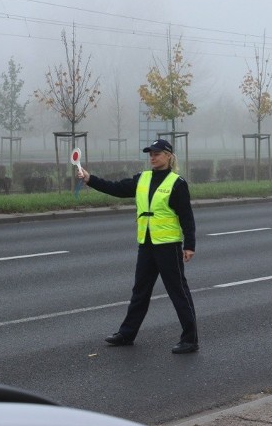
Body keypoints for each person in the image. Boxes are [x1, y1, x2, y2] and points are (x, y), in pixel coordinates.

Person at [77, 138, 199, 354]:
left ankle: (190, 339)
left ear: (168, 156)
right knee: (140, 292)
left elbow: (186, 217)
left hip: (168, 245)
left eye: (157, 153)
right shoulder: (142, 179)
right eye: (150, 154)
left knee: (178, 291)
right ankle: (126, 334)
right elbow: (116, 188)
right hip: (147, 244)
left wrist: (189, 245)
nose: (152, 157)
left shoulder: (177, 183)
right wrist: (89, 179)